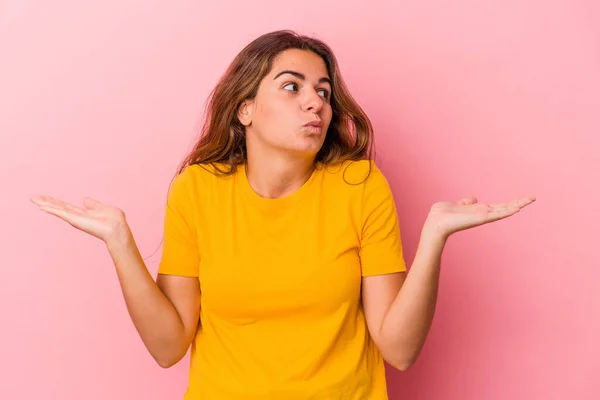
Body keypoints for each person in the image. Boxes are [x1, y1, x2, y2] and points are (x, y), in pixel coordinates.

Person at [30, 30, 535, 399]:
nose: (315, 103)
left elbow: (399, 350)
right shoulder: (198, 189)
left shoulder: (359, 187)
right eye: (292, 87)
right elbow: (168, 347)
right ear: (245, 109)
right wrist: (120, 242)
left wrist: (434, 238)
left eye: (323, 91)